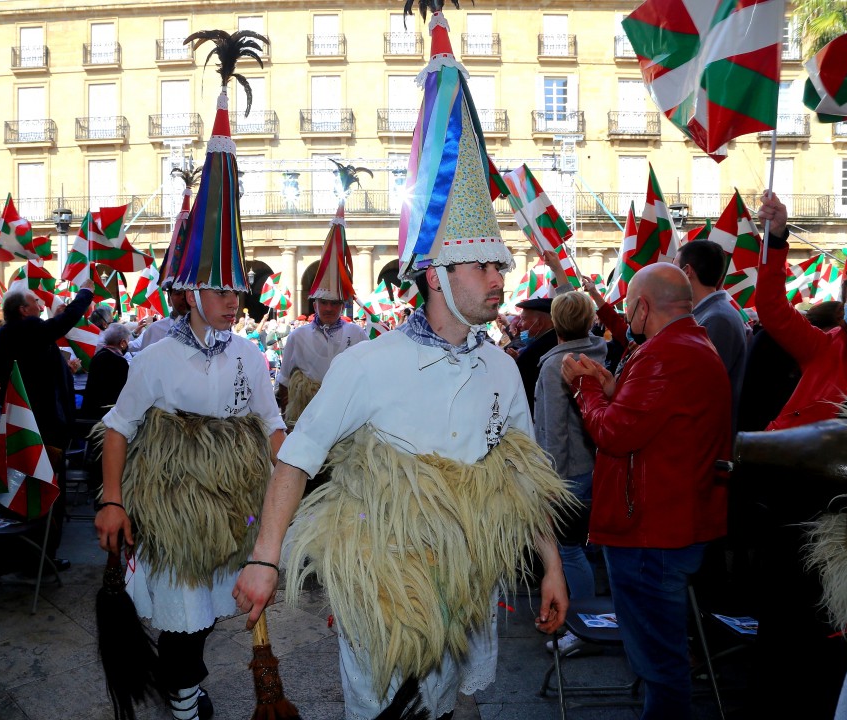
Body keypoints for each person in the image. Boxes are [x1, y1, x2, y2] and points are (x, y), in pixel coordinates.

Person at [236, 9, 570, 717]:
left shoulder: (501, 367)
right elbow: (296, 457)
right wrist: (266, 559)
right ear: (438, 275)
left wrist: (553, 567)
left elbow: (526, 477)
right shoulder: (368, 364)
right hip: (385, 592)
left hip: (469, 589)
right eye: (484, 265)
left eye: (501, 265)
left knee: (452, 709)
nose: (500, 278)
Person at [95, 34, 286, 720]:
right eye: (222, 289)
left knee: (208, 612)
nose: (235, 300)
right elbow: (118, 428)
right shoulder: (154, 355)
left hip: (229, 510)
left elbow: (272, 423)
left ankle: (185, 683)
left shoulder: (249, 354)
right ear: (191, 291)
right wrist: (112, 501)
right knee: (181, 615)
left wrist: (293, 482)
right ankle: (181, 693)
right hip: (173, 510)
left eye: (238, 290)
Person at [562, 263, 731, 720]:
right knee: (662, 656)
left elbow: (615, 433)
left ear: (642, 306)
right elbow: (657, 418)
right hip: (671, 523)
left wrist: (584, 389)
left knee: (660, 663)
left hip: (651, 531)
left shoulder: (665, 354)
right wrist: (612, 387)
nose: (625, 314)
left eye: (627, 306)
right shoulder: (690, 343)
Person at [750, 191, 847, 717]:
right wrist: (775, 238)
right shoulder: (826, 344)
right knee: (785, 618)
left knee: (832, 631)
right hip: (794, 503)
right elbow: (771, 309)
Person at [0, 280, 93, 576]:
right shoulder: (26, 329)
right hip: (39, 428)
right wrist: (85, 293)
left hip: (25, 425)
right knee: (42, 491)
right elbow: (65, 321)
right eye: (35, 301)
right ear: (23, 310)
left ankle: (24, 558)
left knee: (23, 491)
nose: (41, 304)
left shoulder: (13, 335)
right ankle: (39, 559)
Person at [534, 291, 607, 658]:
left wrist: (551, 481)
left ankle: (582, 628)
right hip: (593, 466)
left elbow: (554, 430)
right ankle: (589, 619)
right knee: (584, 548)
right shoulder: (598, 351)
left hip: (566, 473)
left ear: (556, 323)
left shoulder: (555, 365)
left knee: (568, 549)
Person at [276, 195, 367, 428]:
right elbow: (284, 382)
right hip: (308, 417)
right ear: (314, 303)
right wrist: (285, 422)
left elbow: (369, 373)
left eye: (334, 303)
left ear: (342, 305)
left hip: (346, 414)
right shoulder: (297, 336)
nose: (328, 308)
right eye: (323, 302)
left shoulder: (357, 334)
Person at [675, 239, 748, 422]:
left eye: (675, 267)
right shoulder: (711, 314)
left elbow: (699, 387)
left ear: (687, 271)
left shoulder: (717, 319)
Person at [510, 297, 556, 418]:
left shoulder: (533, 353)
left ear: (539, 323)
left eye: (523, 319)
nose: (519, 324)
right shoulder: (557, 340)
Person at [80, 323, 131, 420]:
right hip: (107, 415)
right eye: (128, 340)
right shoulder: (120, 362)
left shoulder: (98, 356)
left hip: (91, 412)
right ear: (123, 342)